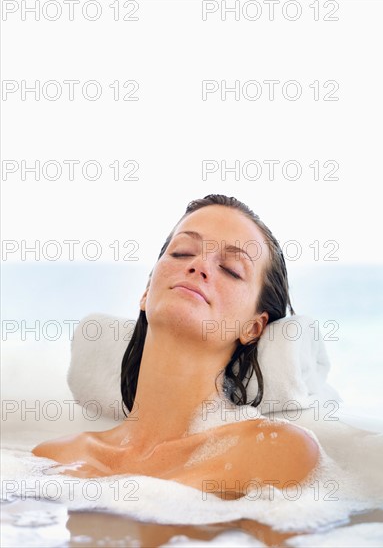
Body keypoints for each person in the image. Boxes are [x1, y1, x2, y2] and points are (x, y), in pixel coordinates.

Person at [32, 194, 320, 499]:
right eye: (182, 253)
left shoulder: (273, 453)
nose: (199, 266)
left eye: (231, 269)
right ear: (146, 292)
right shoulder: (54, 459)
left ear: (253, 327)